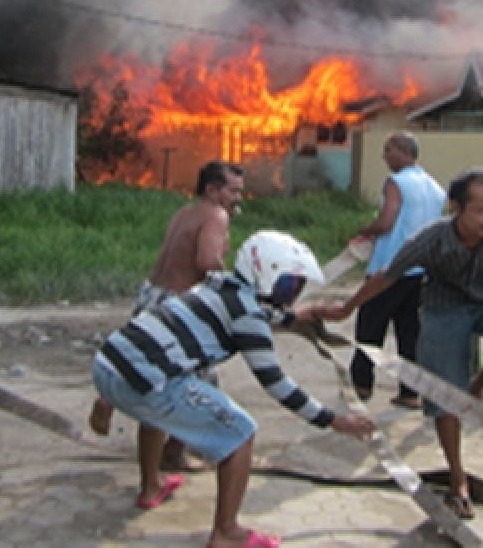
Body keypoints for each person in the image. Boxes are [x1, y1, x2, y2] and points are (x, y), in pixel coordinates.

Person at [93, 230, 374, 548]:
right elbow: (276, 383)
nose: (293, 292)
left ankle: (150, 487)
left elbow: (254, 311)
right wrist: (334, 420)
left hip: (110, 364)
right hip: (149, 383)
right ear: (267, 277)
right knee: (240, 433)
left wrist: (299, 315)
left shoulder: (222, 284)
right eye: (289, 284)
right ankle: (226, 533)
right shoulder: (247, 315)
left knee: (161, 406)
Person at [308, 168, 483, 520]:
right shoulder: (428, 240)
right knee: (444, 395)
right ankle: (457, 478)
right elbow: (385, 278)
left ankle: (477, 386)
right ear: (456, 208)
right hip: (442, 309)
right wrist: (345, 309)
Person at [88, 160, 245, 473]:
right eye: (233, 191)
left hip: (151, 296)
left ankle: (107, 400)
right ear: (212, 190)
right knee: (195, 383)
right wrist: (233, 292)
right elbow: (207, 260)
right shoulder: (216, 214)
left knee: (139, 367)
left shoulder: (184, 212)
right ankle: (174, 454)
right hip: (176, 310)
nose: (239, 198)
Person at [349, 131, 446, 408]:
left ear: (404, 152)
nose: (385, 156)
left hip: (389, 268)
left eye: (388, 150)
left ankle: (362, 386)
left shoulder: (396, 182)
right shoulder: (435, 187)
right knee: (409, 333)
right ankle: (409, 392)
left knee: (369, 327)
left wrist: (365, 230)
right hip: (419, 270)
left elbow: (387, 222)